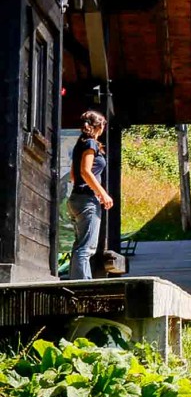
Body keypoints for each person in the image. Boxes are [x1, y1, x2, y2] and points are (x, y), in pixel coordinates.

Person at [68, 110, 112, 280]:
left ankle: (76, 284)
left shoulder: (80, 144)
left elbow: (74, 175)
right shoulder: (91, 144)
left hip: (76, 199)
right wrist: (103, 194)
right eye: (103, 125)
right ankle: (82, 286)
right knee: (86, 249)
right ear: (99, 126)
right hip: (87, 201)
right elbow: (85, 172)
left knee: (80, 246)